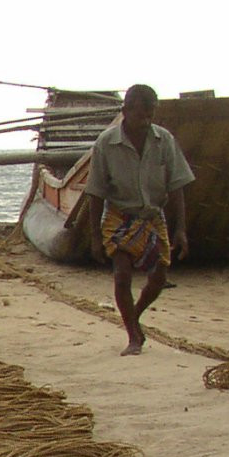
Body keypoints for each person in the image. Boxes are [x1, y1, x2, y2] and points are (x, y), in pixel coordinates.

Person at [69, 83, 195, 355]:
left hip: (152, 215)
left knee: (159, 277)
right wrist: (95, 237)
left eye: (151, 115)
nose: (146, 121)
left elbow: (176, 187)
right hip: (119, 216)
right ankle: (133, 337)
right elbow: (96, 193)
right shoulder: (106, 143)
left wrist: (181, 229)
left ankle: (134, 316)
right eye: (141, 115)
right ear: (125, 111)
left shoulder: (164, 140)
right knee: (122, 275)